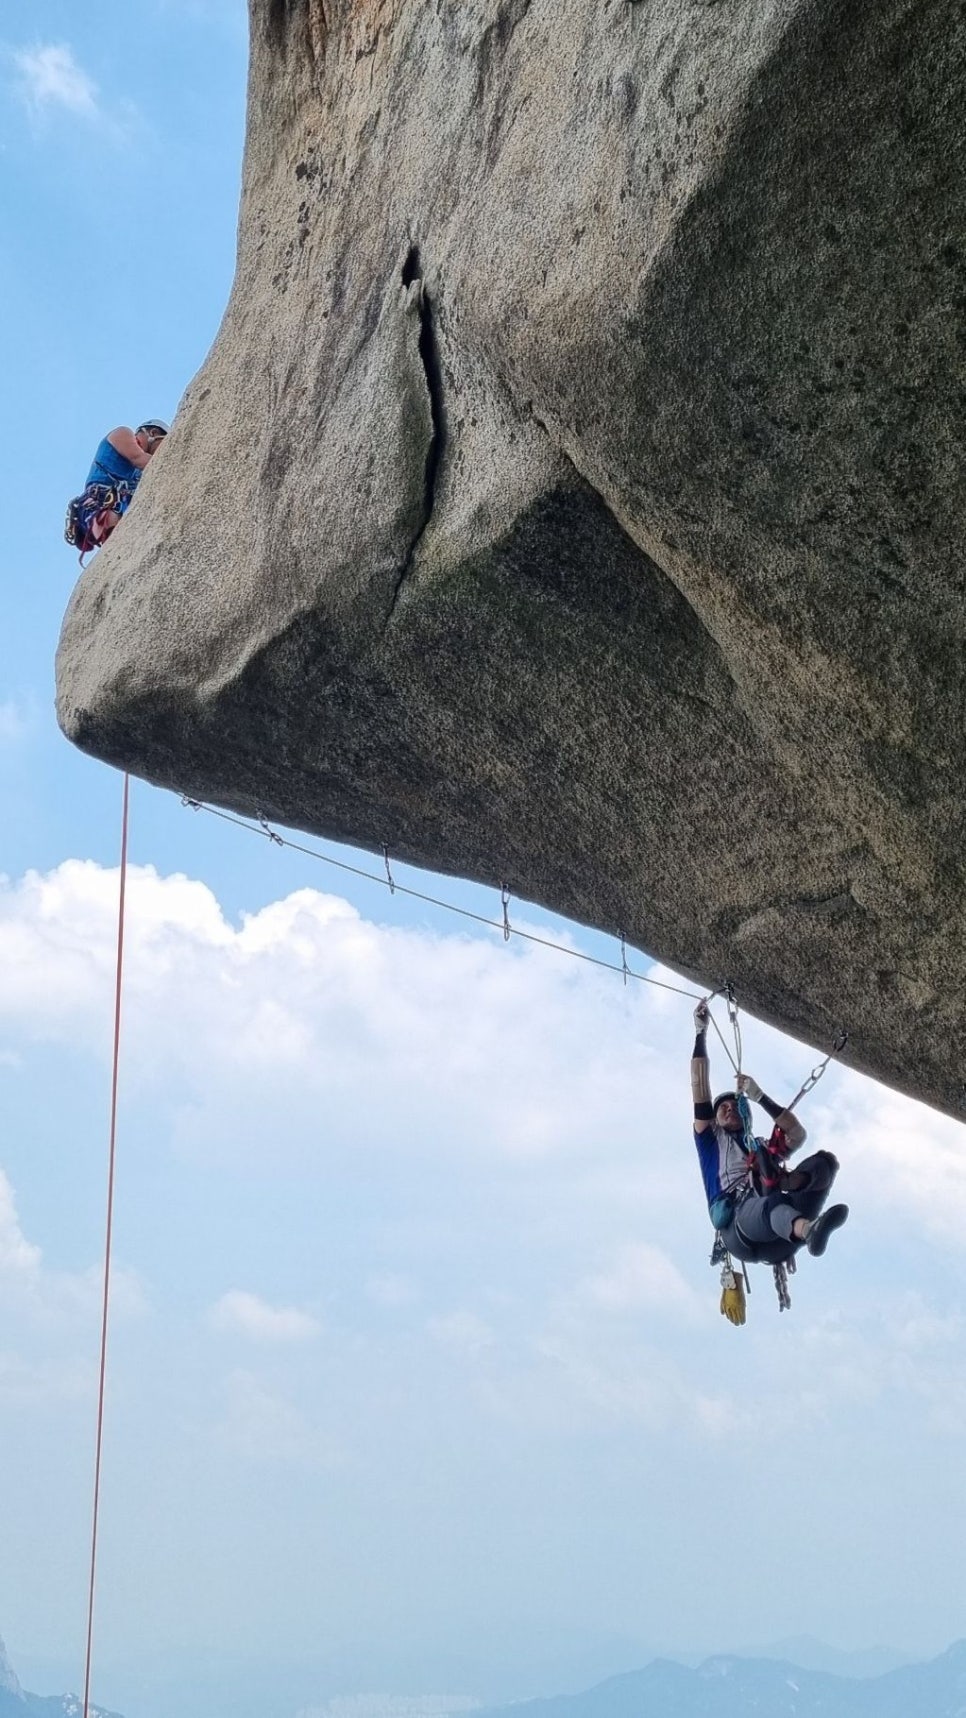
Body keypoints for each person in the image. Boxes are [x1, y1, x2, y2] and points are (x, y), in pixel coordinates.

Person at [691, 1000, 848, 1266]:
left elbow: (796, 1135)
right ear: (715, 1119)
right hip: (741, 1228)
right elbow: (698, 1085)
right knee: (771, 1204)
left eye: (733, 1106)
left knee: (824, 1163)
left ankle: (807, 1226)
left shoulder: (760, 1149)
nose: (728, 1110)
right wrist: (700, 1033)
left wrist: (760, 1097)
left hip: (779, 1236)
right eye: (722, 1109)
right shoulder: (710, 1140)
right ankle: (809, 1230)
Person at [78, 419, 169, 550]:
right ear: (153, 433)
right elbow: (141, 460)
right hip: (101, 504)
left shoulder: (138, 474)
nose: (154, 455)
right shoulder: (122, 433)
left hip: (116, 512)